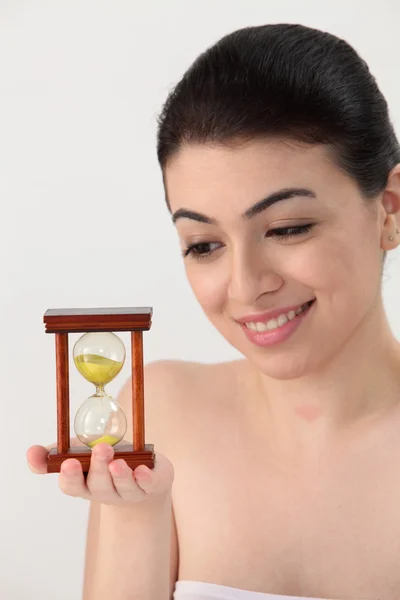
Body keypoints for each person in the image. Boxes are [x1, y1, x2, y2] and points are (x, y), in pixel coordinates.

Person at [27, 22, 400, 600]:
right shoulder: (163, 414)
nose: (246, 287)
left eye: (288, 228)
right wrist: (136, 515)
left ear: (390, 210)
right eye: (205, 244)